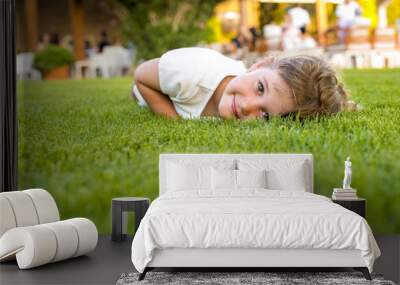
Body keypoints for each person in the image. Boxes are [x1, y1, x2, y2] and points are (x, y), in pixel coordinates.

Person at [131, 47, 356, 120]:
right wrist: (174, 120)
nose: (248, 106)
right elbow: (141, 75)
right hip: (153, 86)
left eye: (265, 115)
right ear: (259, 66)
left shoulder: (240, 103)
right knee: (137, 94)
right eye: (260, 88)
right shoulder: (189, 73)